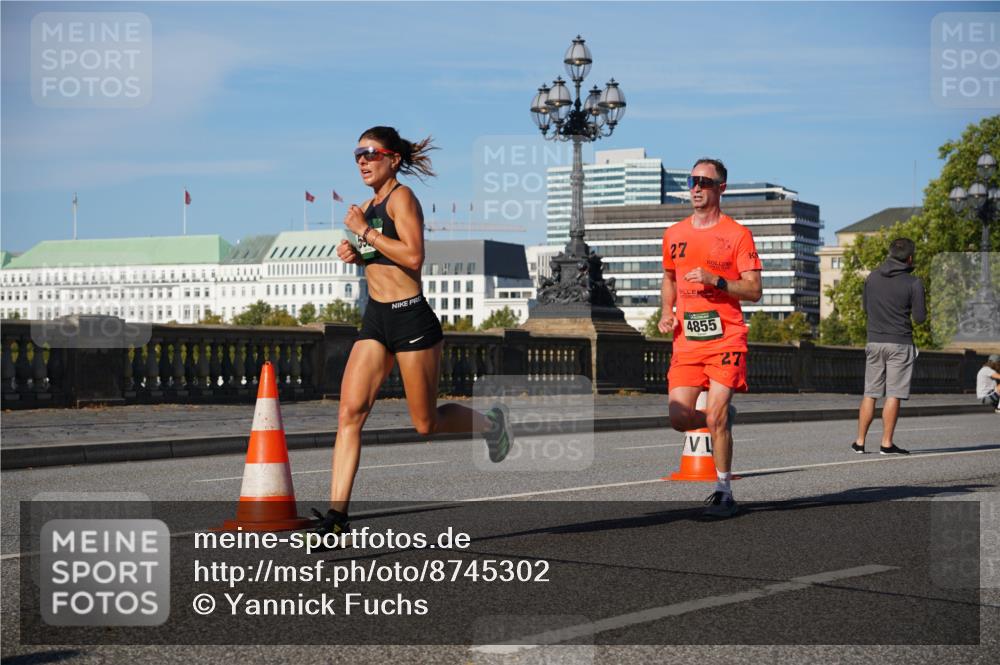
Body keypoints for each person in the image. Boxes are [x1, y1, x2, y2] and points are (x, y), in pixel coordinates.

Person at [313, 126, 514, 537]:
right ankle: (337, 517)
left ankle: (492, 425)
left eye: (370, 153)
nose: (362, 161)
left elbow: (414, 255)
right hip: (376, 320)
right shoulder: (367, 207)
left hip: (410, 318)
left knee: (426, 424)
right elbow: (382, 259)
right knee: (349, 413)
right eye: (357, 155)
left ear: (393, 159)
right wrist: (355, 254)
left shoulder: (402, 198)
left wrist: (365, 233)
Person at [659, 158, 763, 519]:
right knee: (677, 418)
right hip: (687, 341)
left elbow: (754, 290)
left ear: (722, 188)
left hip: (726, 338)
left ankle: (724, 490)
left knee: (715, 416)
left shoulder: (737, 235)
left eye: (705, 181)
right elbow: (670, 278)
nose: (697, 187)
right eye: (693, 181)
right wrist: (665, 312)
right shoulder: (674, 234)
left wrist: (716, 280)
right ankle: (720, 417)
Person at [851, 237, 926, 455]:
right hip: (900, 343)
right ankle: (886, 443)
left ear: (890, 254)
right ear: (910, 258)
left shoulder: (872, 277)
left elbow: (865, 308)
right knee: (893, 393)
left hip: (874, 341)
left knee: (870, 393)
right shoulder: (914, 282)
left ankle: (860, 441)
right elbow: (920, 318)